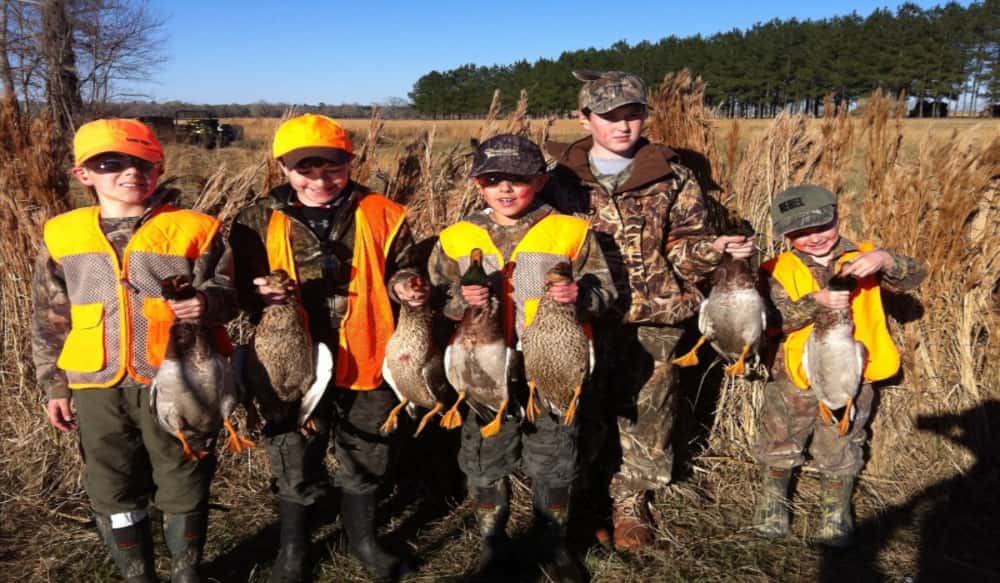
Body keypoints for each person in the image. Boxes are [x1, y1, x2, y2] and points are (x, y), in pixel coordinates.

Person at [544, 70, 754, 550]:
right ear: (585, 117)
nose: (623, 126)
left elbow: (683, 244)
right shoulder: (558, 181)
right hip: (582, 318)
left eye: (633, 114)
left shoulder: (673, 174)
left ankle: (630, 502)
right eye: (609, 116)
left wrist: (713, 249)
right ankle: (586, 498)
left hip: (656, 312)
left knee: (648, 413)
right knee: (584, 409)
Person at [32, 119, 236, 582]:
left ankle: (187, 573)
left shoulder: (197, 228)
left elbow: (228, 294)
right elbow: (49, 318)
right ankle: (136, 574)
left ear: (159, 168)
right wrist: (54, 385)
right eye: (110, 163)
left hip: (178, 379)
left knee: (183, 474)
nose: (130, 172)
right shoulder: (62, 234)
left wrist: (204, 302)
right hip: (95, 383)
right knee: (111, 483)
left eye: (143, 163)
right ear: (84, 173)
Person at [229, 114, 424, 583]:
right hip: (289, 353)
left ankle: (364, 542)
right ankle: (293, 551)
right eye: (305, 168)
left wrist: (405, 288)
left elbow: (405, 265)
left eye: (331, 167)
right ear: (283, 168)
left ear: (349, 162)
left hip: (368, 344)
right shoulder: (256, 218)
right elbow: (234, 291)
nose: (319, 179)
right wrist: (260, 293)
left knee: (369, 445)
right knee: (292, 446)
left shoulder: (383, 211)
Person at [427, 133, 615, 581]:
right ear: (478, 185)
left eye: (518, 179)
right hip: (481, 369)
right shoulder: (456, 237)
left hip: (551, 366)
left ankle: (554, 547)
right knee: (484, 457)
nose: (505, 189)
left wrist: (579, 296)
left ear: (540, 180)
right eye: (493, 179)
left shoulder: (571, 231)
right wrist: (460, 298)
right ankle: (493, 545)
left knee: (555, 455)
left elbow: (606, 292)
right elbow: (434, 299)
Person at [755, 184, 926, 547]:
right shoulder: (774, 269)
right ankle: (774, 501)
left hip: (852, 374)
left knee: (842, 438)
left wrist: (886, 260)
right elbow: (770, 322)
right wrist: (813, 302)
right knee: (781, 437)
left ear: (837, 216)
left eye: (821, 226)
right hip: (794, 375)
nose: (814, 238)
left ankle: (835, 510)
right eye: (799, 232)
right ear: (785, 234)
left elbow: (915, 277)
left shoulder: (865, 258)